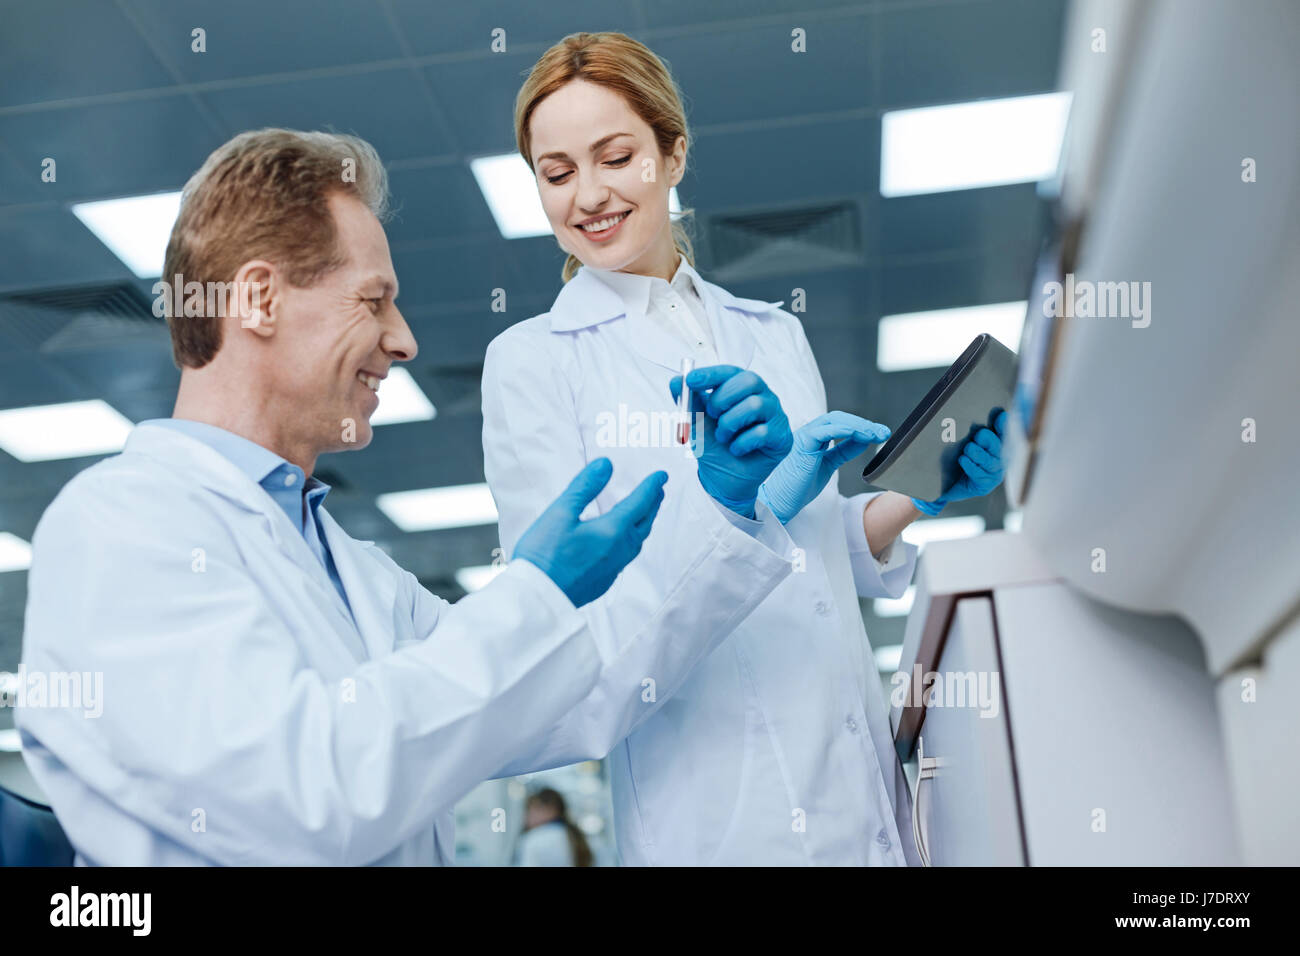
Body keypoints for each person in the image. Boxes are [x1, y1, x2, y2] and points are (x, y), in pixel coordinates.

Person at [15, 128, 799, 866]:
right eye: (373, 299)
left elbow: (571, 693)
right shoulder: (121, 525)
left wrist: (722, 514)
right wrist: (536, 595)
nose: (404, 339)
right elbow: (312, 795)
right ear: (257, 299)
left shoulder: (354, 571)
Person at [482, 33, 1008, 865]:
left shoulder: (772, 332)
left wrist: (919, 491)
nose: (588, 195)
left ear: (674, 153)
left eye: (616, 157)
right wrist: (739, 504)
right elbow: (561, 624)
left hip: (858, 783)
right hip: (718, 812)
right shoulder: (534, 361)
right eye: (556, 173)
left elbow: (809, 551)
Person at [517, 788, 594, 867]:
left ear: (551, 809)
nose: (528, 815)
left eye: (533, 809)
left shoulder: (533, 839)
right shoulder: (572, 835)